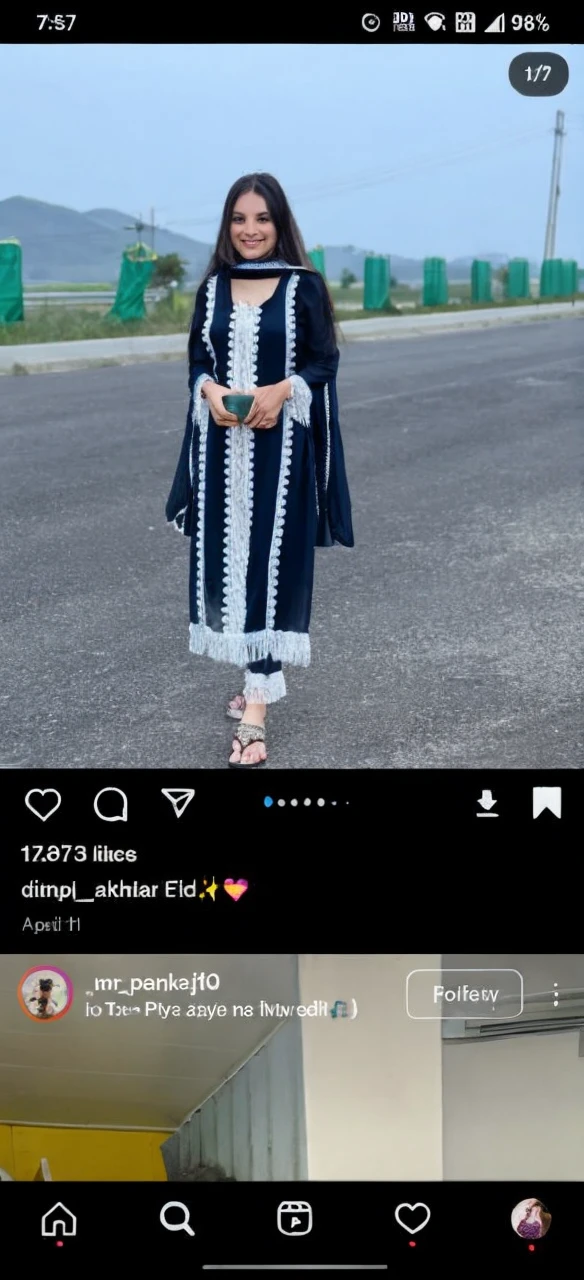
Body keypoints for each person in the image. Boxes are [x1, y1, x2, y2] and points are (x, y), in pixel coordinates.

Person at [166, 172, 354, 766]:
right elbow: (198, 359)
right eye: (240, 219)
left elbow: (325, 361)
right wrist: (210, 393)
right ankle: (255, 674)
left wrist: (282, 390)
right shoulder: (214, 289)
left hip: (283, 453)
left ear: (280, 224)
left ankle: (256, 711)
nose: (250, 231)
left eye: (262, 219)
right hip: (222, 449)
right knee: (232, 561)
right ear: (228, 225)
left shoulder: (304, 287)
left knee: (271, 564)